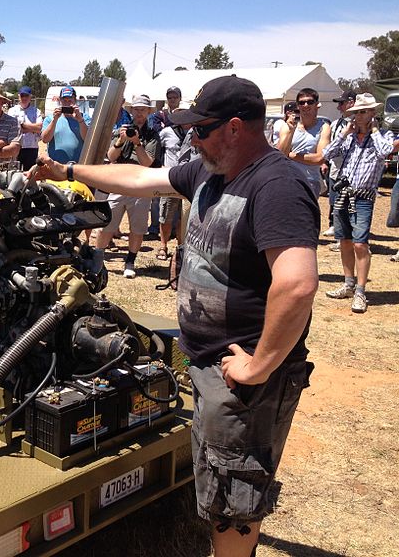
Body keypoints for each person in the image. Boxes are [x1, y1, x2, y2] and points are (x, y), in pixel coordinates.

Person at [33, 75, 319, 557]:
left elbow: (297, 284)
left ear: (234, 127)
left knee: (235, 494)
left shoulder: (277, 184)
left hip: (242, 378)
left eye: (200, 129)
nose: (192, 138)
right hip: (202, 359)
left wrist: (258, 366)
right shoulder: (210, 169)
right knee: (213, 464)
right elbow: (143, 180)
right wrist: (69, 172)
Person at [323, 93, 394, 313]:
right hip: (344, 193)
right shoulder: (350, 137)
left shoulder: (383, 135)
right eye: (356, 112)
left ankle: (361, 291)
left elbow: (385, 152)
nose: (358, 116)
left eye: (363, 111)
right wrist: (344, 133)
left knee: (360, 243)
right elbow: (327, 153)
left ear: (373, 113)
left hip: (363, 197)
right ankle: (349, 283)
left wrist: (373, 131)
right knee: (344, 240)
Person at [94, 95, 161, 278]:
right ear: (131, 111)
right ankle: (98, 259)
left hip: (141, 183)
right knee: (107, 223)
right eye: (136, 109)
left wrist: (137, 143)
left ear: (149, 112)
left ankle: (130, 261)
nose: (139, 113)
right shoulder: (121, 131)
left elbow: (147, 162)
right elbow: (111, 156)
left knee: (137, 227)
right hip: (119, 182)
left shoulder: (152, 134)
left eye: (143, 110)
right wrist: (121, 141)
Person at [157, 100, 198, 261]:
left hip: (191, 181)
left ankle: (181, 248)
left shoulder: (198, 132)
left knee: (185, 215)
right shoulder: (167, 132)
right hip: (171, 179)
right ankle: (163, 245)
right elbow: (157, 151)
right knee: (166, 214)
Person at [276, 87, 331, 196]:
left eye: (310, 102)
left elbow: (319, 159)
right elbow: (280, 154)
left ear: (317, 105)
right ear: (298, 106)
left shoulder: (324, 127)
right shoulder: (288, 126)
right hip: (287, 178)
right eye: (302, 103)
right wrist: (290, 132)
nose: (306, 105)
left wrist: (291, 155)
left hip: (310, 181)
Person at [321, 89, 357, 236]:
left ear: (351, 103)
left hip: (351, 169)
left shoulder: (359, 123)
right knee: (334, 198)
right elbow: (329, 145)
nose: (338, 107)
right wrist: (325, 162)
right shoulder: (336, 124)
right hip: (335, 167)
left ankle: (346, 232)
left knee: (348, 202)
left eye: (341, 103)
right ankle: (334, 225)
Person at [40, 86, 91, 164]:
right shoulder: (50, 119)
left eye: (70, 100)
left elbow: (88, 139)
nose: (67, 103)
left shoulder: (84, 117)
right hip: (56, 166)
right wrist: (55, 120)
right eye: (64, 100)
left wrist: (80, 120)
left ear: (75, 101)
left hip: (78, 166)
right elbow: (45, 139)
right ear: (60, 101)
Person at [8, 86, 43, 170]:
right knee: (14, 172)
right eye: (22, 96)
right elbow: (12, 128)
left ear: (30, 97)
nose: (24, 98)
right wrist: (31, 128)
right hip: (16, 147)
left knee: (30, 173)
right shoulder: (12, 111)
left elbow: (39, 127)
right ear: (19, 96)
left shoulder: (36, 111)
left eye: (26, 96)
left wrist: (22, 125)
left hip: (32, 147)